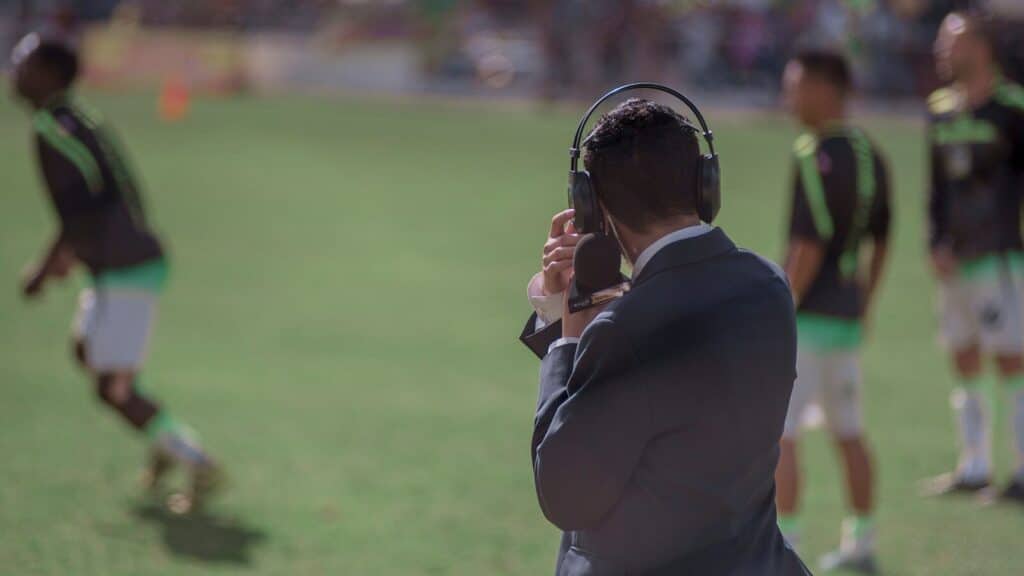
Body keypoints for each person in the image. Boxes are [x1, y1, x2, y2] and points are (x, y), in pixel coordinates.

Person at [521, 98, 809, 575]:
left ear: (592, 206)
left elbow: (565, 493)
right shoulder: (769, 286)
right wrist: (581, 312)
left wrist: (567, 340)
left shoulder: (624, 328)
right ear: (705, 184)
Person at [11, 34, 222, 511]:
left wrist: (46, 267)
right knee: (88, 353)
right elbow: (115, 192)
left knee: (113, 387)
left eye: (24, 63)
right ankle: (160, 435)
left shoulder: (54, 129)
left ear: (49, 75)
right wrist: (76, 251)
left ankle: (197, 461)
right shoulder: (78, 118)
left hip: (127, 270)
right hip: (116, 267)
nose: (15, 71)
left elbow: (80, 210)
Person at [774, 49, 891, 574]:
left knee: (782, 435)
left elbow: (808, 244)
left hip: (806, 320)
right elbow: (882, 239)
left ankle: (786, 544)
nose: (788, 98)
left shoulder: (811, 154)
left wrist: (781, 305)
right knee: (849, 432)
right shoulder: (871, 155)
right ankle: (861, 541)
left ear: (825, 89)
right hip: (846, 319)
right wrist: (865, 301)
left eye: (795, 86)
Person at [922, 12, 1024, 503]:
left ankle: (1022, 470)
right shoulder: (940, 109)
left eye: (953, 41)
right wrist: (934, 241)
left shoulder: (1013, 108)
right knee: (962, 355)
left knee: (1011, 359)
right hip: (954, 262)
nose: (942, 49)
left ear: (982, 47)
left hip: (1000, 259)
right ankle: (974, 465)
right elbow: (936, 189)